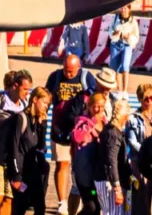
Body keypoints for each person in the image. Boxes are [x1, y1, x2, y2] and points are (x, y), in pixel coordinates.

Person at [46, 54, 97, 215]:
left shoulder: (86, 77)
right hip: (60, 128)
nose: (68, 74)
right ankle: (62, 202)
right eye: (66, 70)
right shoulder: (55, 77)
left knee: (80, 167)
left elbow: (95, 98)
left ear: (78, 67)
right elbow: (47, 97)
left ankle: (82, 199)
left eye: (72, 71)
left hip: (81, 131)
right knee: (62, 164)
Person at [0, 70, 32, 215]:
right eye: (25, 89)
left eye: (29, 90)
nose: (27, 93)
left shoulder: (25, 104)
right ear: (15, 86)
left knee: (8, 198)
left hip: (12, 155)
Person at [3, 87, 51, 215]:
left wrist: (43, 126)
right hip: (19, 171)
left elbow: (41, 147)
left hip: (32, 170)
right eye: (44, 102)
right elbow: (13, 148)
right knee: (20, 206)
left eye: (48, 104)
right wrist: (16, 176)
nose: (46, 107)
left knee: (40, 206)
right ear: (35, 100)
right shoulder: (21, 119)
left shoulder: (38, 121)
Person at [126, 83, 152, 215]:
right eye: (145, 98)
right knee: (141, 204)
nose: (149, 101)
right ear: (139, 99)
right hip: (141, 165)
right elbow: (132, 142)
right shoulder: (132, 118)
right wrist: (148, 153)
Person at [71, 91, 109, 215]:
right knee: (91, 206)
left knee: (97, 207)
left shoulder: (105, 122)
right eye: (96, 106)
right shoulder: (82, 121)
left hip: (98, 175)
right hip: (84, 174)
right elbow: (77, 137)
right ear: (89, 106)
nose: (99, 110)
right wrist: (92, 122)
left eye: (102, 106)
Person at [96, 99, 133, 215]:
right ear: (125, 116)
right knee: (113, 213)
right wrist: (117, 188)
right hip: (110, 182)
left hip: (114, 179)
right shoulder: (113, 133)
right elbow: (111, 161)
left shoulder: (111, 130)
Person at [108, 5, 141, 94]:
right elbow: (110, 31)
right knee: (116, 68)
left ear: (129, 9)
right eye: (122, 8)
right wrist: (115, 33)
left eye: (125, 8)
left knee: (125, 66)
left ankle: (125, 90)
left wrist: (129, 37)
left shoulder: (133, 21)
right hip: (115, 44)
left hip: (127, 45)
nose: (123, 10)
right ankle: (119, 90)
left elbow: (136, 36)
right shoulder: (115, 18)